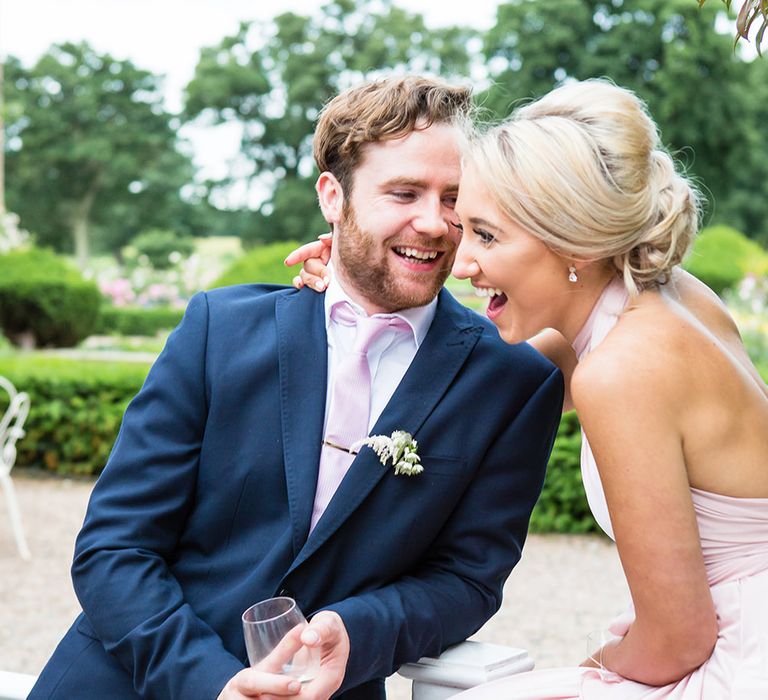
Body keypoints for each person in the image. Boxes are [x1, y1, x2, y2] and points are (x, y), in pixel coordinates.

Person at [28, 76, 563, 700]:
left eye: (452, 198)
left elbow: (468, 579)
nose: (433, 223)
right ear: (333, 197)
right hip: (125, 683)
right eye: (404, 192)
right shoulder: (218, 329)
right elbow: (114, 546)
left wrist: (355, 632)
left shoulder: (512, 379)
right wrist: (211, 682)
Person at [291, 78, 768, 697]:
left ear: (571, 239)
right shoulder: (668, 297)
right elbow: (487, 379)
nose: (463, 261)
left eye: (486, 235)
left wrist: (595, 665)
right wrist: (363, 287)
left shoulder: (619, 370)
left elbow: (678, 640)